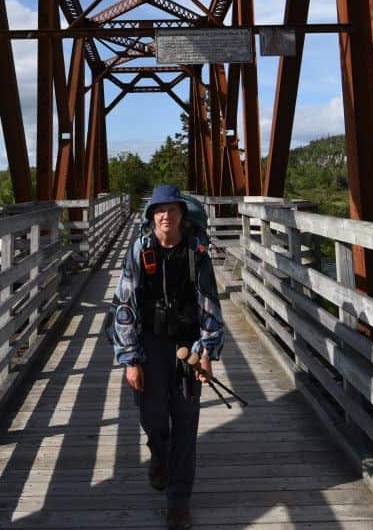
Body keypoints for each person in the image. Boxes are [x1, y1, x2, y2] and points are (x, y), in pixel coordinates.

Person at [107, 184, 225, 530]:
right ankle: (159, 453)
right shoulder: (139, 251)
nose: (165, 216)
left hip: (188, 344)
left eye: (172, 209)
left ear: (181, 214)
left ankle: (179, 500)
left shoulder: (196, 252)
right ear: (151, 217)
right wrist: (130, 359)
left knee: (186, 421)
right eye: (159, 210)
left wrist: (207, 351)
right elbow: (124, 306)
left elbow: (209, 304)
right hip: (150, 343)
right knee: (152, 414)